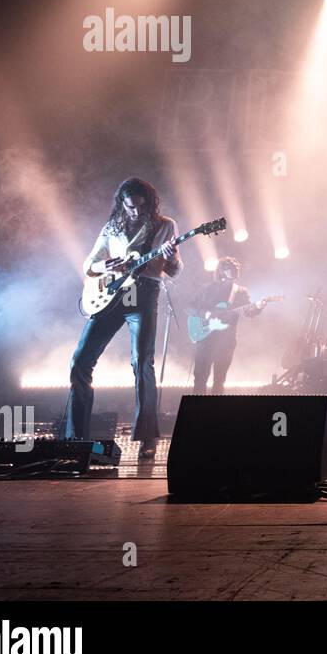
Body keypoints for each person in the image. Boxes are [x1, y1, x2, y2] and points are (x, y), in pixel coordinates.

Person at [67, 178, 181, 459]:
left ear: (149, 204)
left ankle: (147, 438)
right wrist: (102, 265)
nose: (135, 213)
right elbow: (88, 264)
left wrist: (169, 257)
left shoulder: (165, 225)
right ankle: (75, 437)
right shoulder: (111, 227)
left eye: (140, 208)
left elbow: (175, 271)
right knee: (80, 361)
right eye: (129, 207)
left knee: (142, 362)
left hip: (143, 296)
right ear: (122, 203)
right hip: (112, 296)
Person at [191, 257, 268, 391]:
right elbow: (188, 307)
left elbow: (249, 312)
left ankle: (217, 411)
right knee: (200, 379)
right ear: (221, 271)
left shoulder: (240, 291)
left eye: (236, 267)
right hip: (205, 339)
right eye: (230, 268)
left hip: (226, 342)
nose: (235, 270)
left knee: (219, 381)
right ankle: (197, 411)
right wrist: (206, 314)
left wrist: (259, 307)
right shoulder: (207, 288)